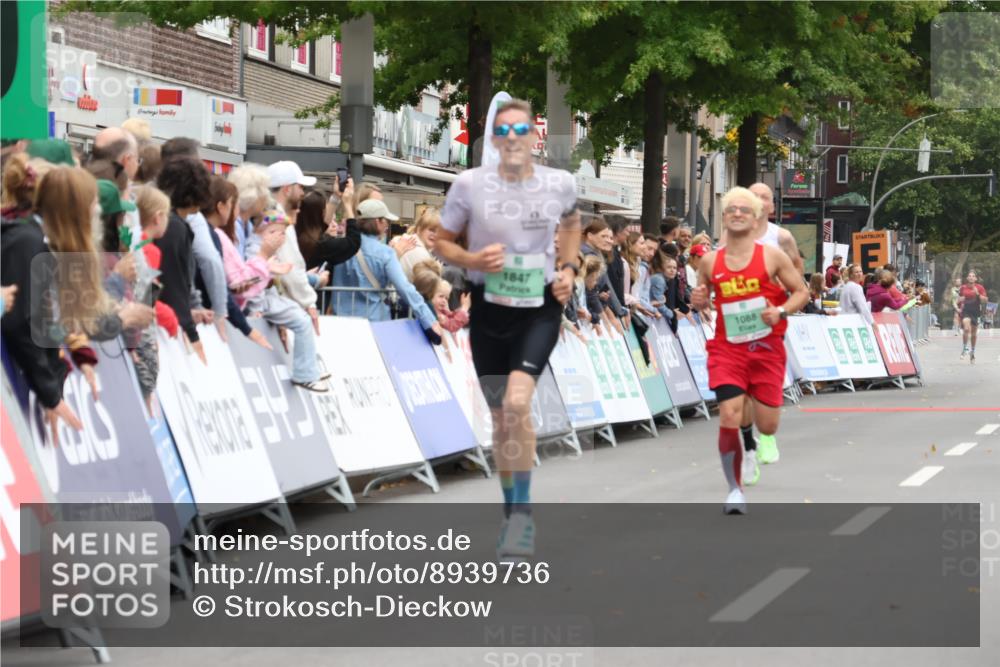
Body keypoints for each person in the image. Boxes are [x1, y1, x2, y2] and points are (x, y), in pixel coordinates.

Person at [434, 98, 581, 561]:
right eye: (506, 131)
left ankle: (521, 519)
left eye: (523, 130)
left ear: (535, 138)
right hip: (489, 308)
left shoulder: (559, 183)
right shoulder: (469, 186)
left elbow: (574, 225)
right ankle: (513, 509)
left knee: (518, 401)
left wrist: (569, 267)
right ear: (495, 140)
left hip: (539, 307)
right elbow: (440, 241)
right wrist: (472, 260)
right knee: (502, 418)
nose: (515, 138)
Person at [690, 187, 808, 514]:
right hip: (728, 349)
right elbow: (701, 297)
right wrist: (698, 300)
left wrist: (781, 311)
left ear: (756, 217)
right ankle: (735, 490)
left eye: (745, 209)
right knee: (729, 412)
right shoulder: (711, 261)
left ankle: (760, 437)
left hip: (766, 348)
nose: (738, 214)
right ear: (724, 217)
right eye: (731, 209)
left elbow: (801, 291)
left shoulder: (772, 256)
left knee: (768, 423)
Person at [649, 251, 691, 332]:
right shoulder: (659, 280)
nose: (672, 270)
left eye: (674, 268)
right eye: (669, 267)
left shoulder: (664, 280)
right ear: (662, 269)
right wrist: (673, 314)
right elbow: (659, 304)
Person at [397, 207, 443, 281]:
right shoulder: (419, 252)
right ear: (419, 229)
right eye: (432, 230)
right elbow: (429, 286)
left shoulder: (402, 240)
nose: (435, 235)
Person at [957, 269, 987, 362]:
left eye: (973, 276)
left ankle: (972, 352)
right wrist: (959, 301)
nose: (971, 277)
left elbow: (985, 300)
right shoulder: (963, 287)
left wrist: (977, 294)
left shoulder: (980, 287)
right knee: (966, 328)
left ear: (976, 278)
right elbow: (958, 299)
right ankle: (965, 348)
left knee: (973, 334)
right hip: (966, 310)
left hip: (975, 311)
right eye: (969, 276)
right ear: (967, 278)